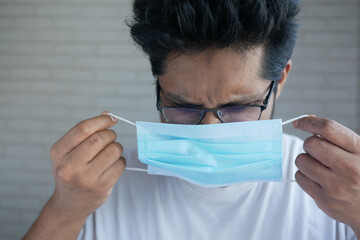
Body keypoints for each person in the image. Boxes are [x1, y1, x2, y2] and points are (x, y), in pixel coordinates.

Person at [23, 0, 360, 239]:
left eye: (237, 107)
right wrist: (65, 208)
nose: (209, 132)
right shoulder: (98, 187)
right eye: (183, 106)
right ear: (159, 84)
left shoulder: (335, 190)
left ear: (280, 81)